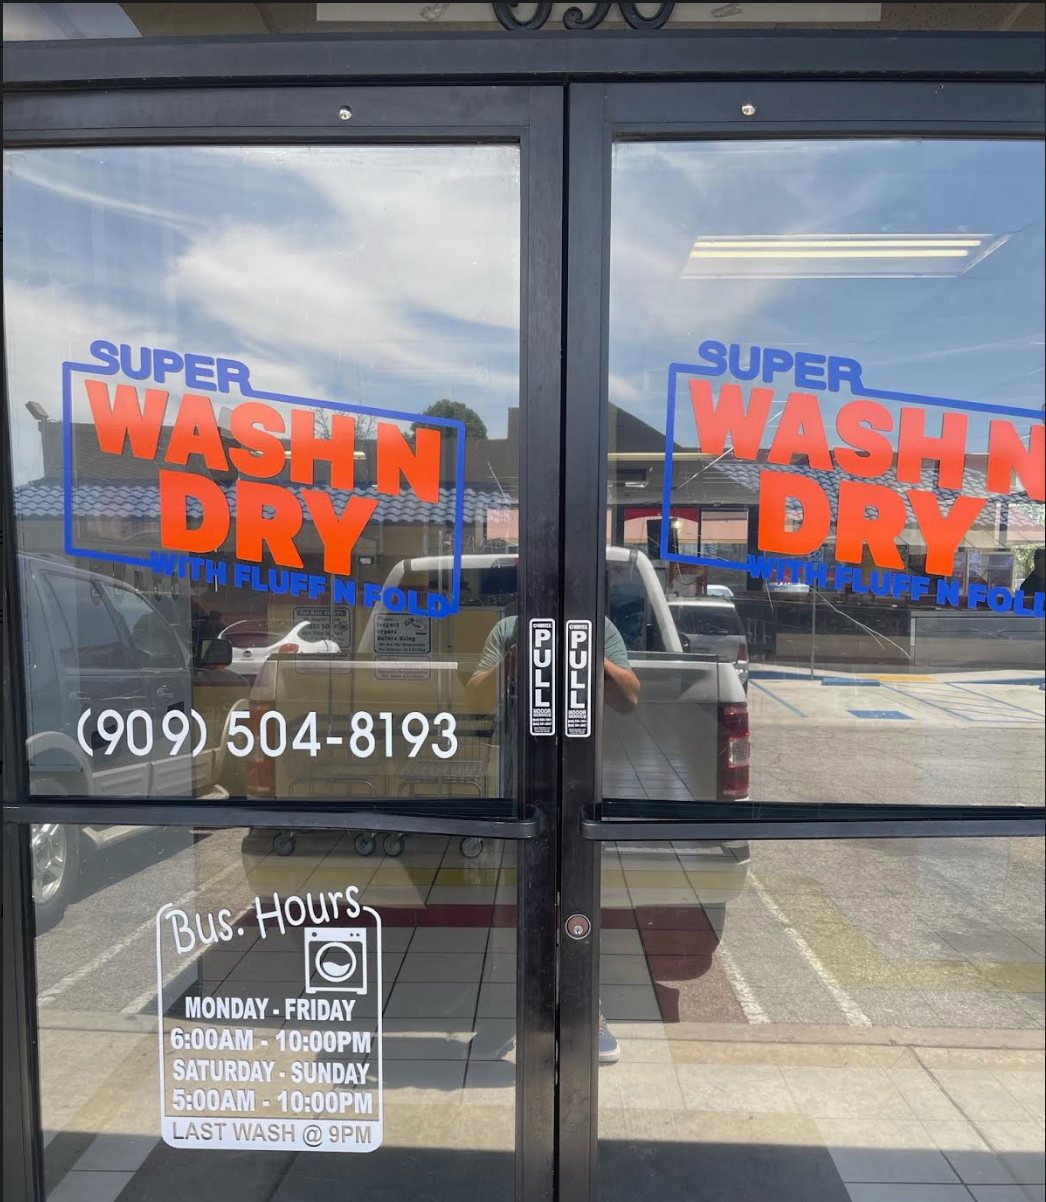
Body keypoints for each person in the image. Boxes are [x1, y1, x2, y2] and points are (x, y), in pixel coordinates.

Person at [467, 614, 641, 1066]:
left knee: (581, 903)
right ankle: (519, 1010)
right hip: (519, 791)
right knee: (520, 902)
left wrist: (587, 660)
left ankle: (588, 1012)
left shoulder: (597, 628)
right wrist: (510, 663)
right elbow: (475, 701)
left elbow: (630, 698)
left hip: (581, 791)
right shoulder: (507, 630)